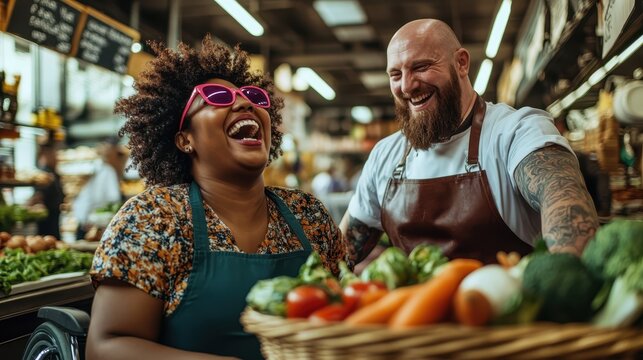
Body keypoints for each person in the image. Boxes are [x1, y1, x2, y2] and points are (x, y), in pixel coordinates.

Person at [86, 35, 352, 360]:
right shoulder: (154, 218)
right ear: (185, 140)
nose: (244, 103)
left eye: (252, 96)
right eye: (216, 96)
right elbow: (107, 346)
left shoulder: (307, 214)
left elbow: (349, 310)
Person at [340, 19, 599, 265]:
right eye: (395, 74)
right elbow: (340, 254)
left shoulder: (516, 132)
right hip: (417, 311)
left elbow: (567, 208)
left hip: (508, 309)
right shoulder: (385, 155)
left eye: (420, 67)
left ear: (461, 63)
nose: (407, 86)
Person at [72, 138, 127, 239]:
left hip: (91, 224)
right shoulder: (102, 170)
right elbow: (113, 199)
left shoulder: (102, 170)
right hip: (91, 225)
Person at [28, 143, 65, 239]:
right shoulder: (44, 174)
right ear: (46, 155)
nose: (56, 158)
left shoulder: (54, 172)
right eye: (54, 155)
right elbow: (39, 194)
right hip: (46, 217)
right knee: (46, 239)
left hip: (54, 215)